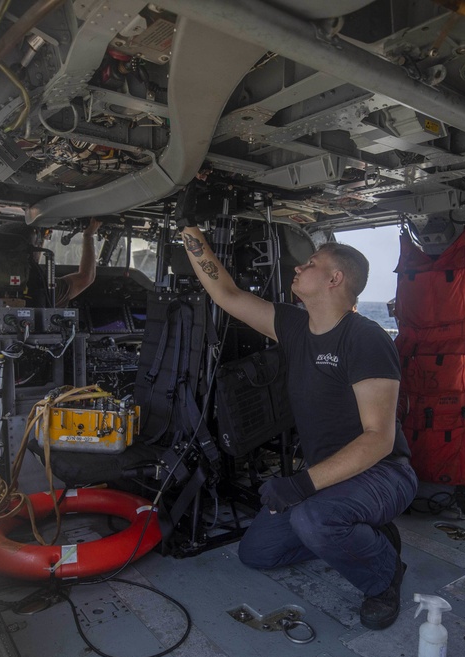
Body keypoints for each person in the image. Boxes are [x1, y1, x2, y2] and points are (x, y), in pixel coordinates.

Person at [175, 181, 418, 630]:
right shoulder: (294, 326)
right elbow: (226, 295)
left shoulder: (365, 339)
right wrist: (190, 231)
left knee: (314, 516)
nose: (298, 267)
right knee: (259, 553)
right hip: (330, 476)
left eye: (311, 263)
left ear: (334, 279)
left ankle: (384, 574)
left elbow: (379, 440)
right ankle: (351, 532)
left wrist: (300, 485)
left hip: (384, 473)